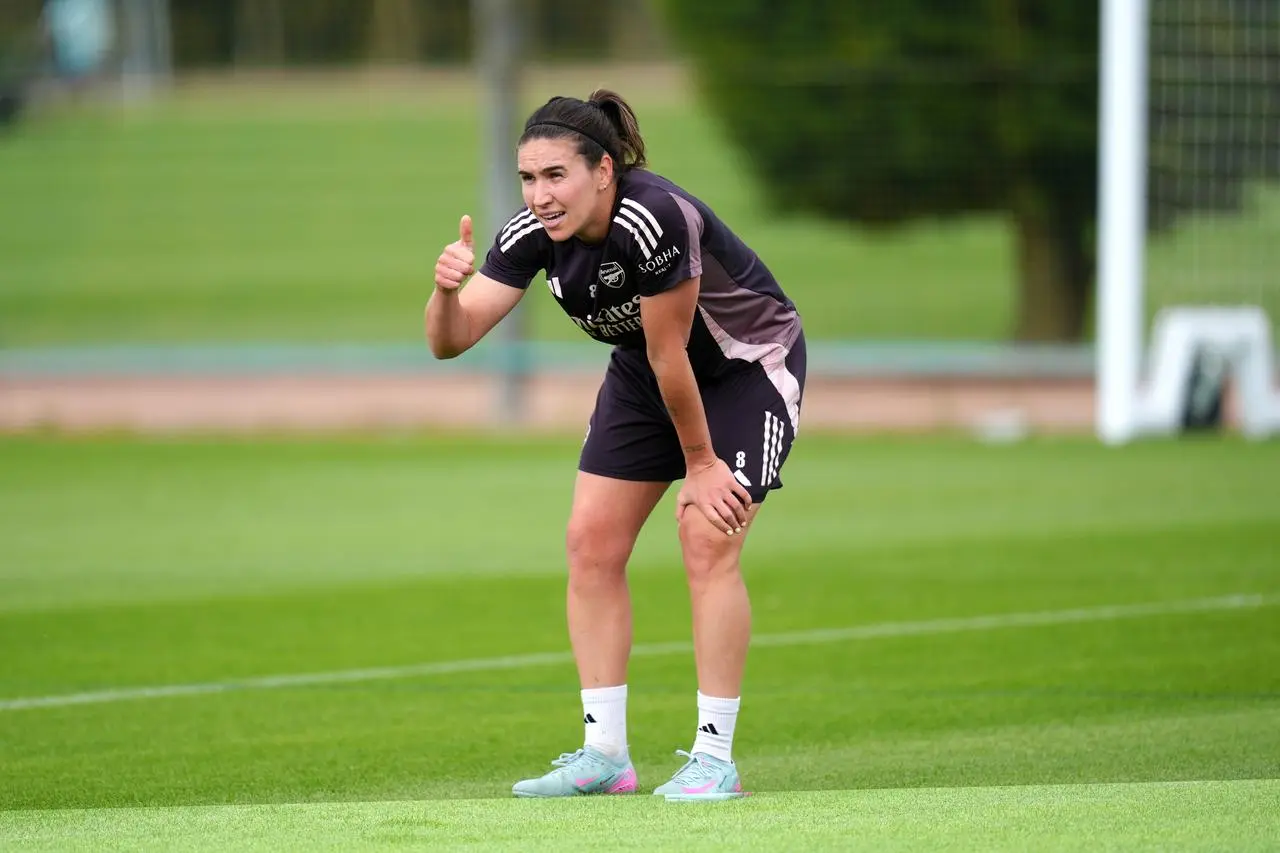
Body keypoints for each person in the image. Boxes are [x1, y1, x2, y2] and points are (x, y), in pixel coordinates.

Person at [425, 89, 805, 801]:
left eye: (556, 176)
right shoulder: (535, 232)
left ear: (604, 170)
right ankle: (606, 755)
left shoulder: (651, 217)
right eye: (529, 179)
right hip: (650, 372)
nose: (540, 195)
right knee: (590, 542)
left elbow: (676, 354)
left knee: (706, 534)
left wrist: (702, 464)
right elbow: (452, 341)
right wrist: (446, 292)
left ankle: (715, 758)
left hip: (742, 367)